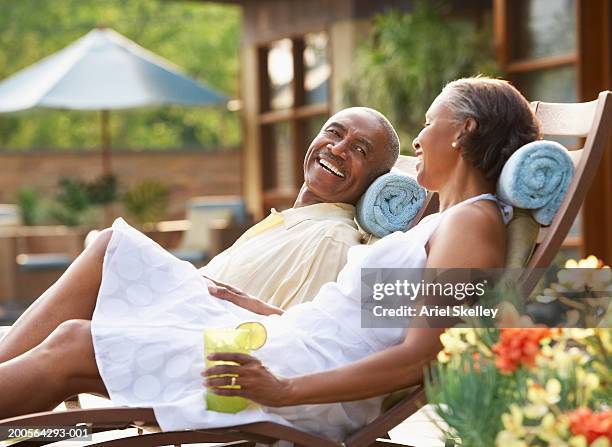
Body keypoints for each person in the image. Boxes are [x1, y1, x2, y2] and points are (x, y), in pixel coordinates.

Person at [0, 77, 540, 442]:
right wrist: (263, 312)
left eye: (429, 123)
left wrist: (281, 389)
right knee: (112, 261)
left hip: (297, 382)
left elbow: (418, 357)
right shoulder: (444, 223)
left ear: (464, 130)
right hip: (287, 345)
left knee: (74, 343)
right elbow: (376, 326)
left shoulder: (472, 223)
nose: (419, 140)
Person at [201, 107, 400, 310]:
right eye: (334, 133)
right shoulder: (291, 223)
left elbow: (297, 334)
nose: (337, 148)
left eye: (360, 150)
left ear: (375, 181)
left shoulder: (331, 240)